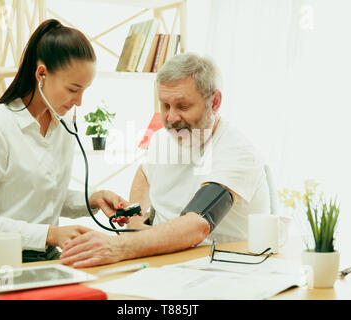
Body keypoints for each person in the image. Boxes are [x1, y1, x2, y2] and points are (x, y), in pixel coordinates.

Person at [60, 53, 270, 268]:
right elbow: (145, 173)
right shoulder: (163, 138)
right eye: (165, 106)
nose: (171, 118)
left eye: (183, 106)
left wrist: (121, 245)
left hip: (220, 267)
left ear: (214, 102)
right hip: (163, 261)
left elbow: (197, 223)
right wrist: (135, 221)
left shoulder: (237, 151)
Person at [0, 19, 130, 269]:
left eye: (85, 90)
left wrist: (94, 198)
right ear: (41, 74)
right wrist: (51, 235)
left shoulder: (60, 126)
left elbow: (47, 198)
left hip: (47, 259)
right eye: (73, 89)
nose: (79, 101)